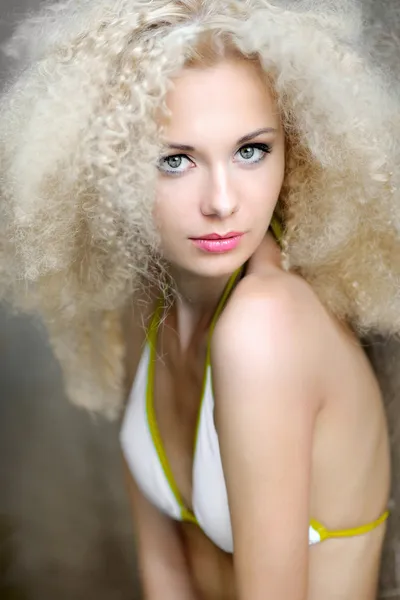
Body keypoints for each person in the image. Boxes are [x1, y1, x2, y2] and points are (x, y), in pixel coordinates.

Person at [0, 0, 399, 598]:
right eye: (175, 160)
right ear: (113, 172)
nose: (221, 201)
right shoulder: (151, 301)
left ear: (296, 148)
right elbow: (163, 572)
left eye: (250, 150)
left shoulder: (267, 329)